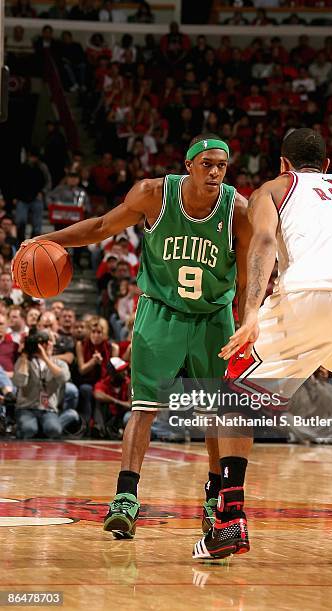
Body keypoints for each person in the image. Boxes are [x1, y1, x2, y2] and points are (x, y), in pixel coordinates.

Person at [18, 133, 250, 541]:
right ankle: (125, 497)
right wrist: (49, 239)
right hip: (160, 312)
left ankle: (215, 498)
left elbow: (248, 277)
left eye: (222, 166)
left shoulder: (239, 210)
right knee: (143, 408)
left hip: (214, 317)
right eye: (208, 164)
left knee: (217, 414)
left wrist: (247, 321)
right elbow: (104, 226)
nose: (215, 172)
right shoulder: (153, 195)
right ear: (189, 165)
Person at [212, 128, 332, 566]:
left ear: (284, 163)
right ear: (328, 165)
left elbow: (262, 241)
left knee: (233, 397)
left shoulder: (275, 188)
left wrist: (250, 313)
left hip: (308, 295)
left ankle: (228, 515)